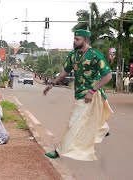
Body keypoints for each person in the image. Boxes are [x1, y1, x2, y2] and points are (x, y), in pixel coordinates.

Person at [43, 29, 113, 161]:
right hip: (79, 93)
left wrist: (92, 91)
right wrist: (52, 83)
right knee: (92, 117)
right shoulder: (73, 55)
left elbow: (108, 76)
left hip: (89, 95)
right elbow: (65, 71)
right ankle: (103, 130)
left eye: (77, 39)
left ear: (86, 40)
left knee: (73, 123)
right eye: (74, 39)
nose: (74, 41)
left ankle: (59, 151)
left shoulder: (95, 55)